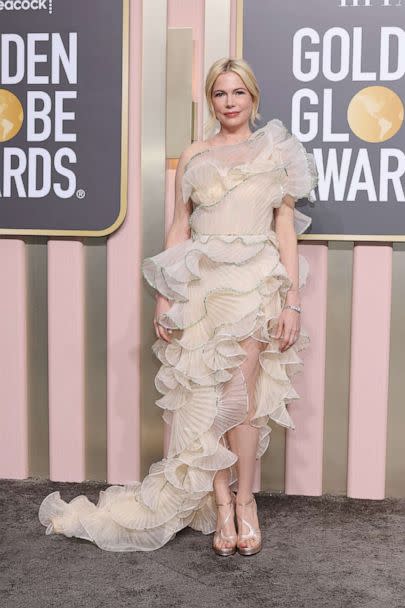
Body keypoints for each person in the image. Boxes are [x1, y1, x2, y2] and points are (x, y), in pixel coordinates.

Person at [38, 57, 318, 556]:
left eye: (238, 93)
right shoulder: (194, 153)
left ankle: (247, 500)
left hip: (255, 282)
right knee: (203, 399)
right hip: (200, 287)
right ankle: (221, 506)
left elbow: (285, 230)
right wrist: (166, 295)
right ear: (210, 100)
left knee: (243, 397)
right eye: (219, 94)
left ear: (253, 97)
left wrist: (292, 302)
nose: (229, 102)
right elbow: (178, 228)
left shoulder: (278, 151)